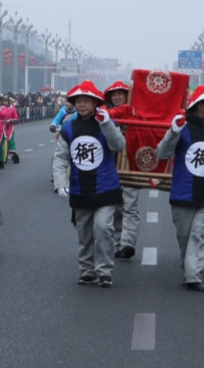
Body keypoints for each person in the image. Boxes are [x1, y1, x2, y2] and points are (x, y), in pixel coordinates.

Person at [157, 85, 204, 292]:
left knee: (198, 234)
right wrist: (173, 131)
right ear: (199, 106)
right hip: (182, 192)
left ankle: (193, 276)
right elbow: (162, 153)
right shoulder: (182, 127)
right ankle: (188, 267)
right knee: (184, 236)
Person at [52, 80, 126, 287]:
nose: (82, 104)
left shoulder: (107, 123)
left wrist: (107, 124)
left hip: (106, 187)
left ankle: (104, 271)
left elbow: (119, 145)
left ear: (95, 103)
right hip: (79, 188)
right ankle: (87, 270)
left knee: (103, 229)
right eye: (78, 101)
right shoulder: (68, 128)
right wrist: (60, 182)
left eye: (86, 101)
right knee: (84, 233)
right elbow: (60, 157)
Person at [103, 81, 141, 260]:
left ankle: (127, 243)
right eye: (114, 94)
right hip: (110, 166)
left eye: (121, 93)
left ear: (127, 95)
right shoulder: (103, 115)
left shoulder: (136, 113)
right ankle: (118, 244)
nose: (117, 97)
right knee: (116, 207)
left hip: (131, 163)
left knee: (130, 206)